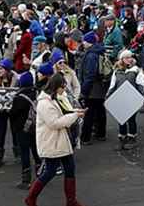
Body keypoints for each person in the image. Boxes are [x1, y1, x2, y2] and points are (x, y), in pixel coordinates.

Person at [25, 73, 86, 206]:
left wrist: (75, 112)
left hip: (59, 141)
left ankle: (71, 201)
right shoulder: (44, 103)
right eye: (62, 87)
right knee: (50, 171)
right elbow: (54, 123)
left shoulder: (53, 98)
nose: (64, 89)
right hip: (52, 142)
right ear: (56, 86)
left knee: (69, 168)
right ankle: (31, 198)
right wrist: (75, 115)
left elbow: (63, 113)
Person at [107, 49, 144, 148]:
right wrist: (108, 96)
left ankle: (132, 138)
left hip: (132, 98)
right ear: (122, 59)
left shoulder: (136, 70)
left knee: (131, 119)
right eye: (127, 57)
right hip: (120, 98)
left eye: (130, 57)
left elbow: (141, 84)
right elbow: (112, 85)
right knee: (121, 119)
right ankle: (122, 138)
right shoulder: (117, 71)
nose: (129, 59)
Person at [10, 71, 40, 190]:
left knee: (25, 152)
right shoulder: (36, 93)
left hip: (22, 129)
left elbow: (13, 114)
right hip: (35, 126)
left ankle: (26, 180)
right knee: (35, 150)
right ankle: (41, 174)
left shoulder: (19, 97)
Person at [78, 31, 107, 145]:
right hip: (100, 87)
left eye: (84, 41)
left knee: (89, 113)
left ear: (89, 42)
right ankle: (101, 134)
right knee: (100, 111)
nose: (83, 43)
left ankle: (85, 137)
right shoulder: (99, 52)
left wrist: (84, 90)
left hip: (92, 88)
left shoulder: (90, 55)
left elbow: (90, 75)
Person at [0, 58, 18, 168]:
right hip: (1, 109)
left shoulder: (16, 79)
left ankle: (18, 152)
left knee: (15, 130)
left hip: (13, 109)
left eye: (1, 68)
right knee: (0, 132)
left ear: (7, 70)